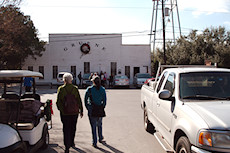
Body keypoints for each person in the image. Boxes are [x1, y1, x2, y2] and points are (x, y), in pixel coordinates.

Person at [56, 73, 83, 153]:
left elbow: (58, 102)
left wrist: (61, 110)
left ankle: (66, 146)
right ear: (71, 80)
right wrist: (81, 110)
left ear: (64, 80)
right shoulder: (75, 88)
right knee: (73, 127)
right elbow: (79, 100)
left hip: (65, 113)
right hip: (74, 112)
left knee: (66, 128)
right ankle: (72, 142)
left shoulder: (61, 89)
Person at [84, 75, 107, 148]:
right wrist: (102, 106)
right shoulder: (102, 89)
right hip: (99, 108)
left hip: (92, 108)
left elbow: (85, 99)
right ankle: (100, 137)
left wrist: (88, 107)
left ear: (93, 82)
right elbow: (105, 100)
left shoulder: (90, 89)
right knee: (99, 124)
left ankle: (94, 141)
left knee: (93, 126)